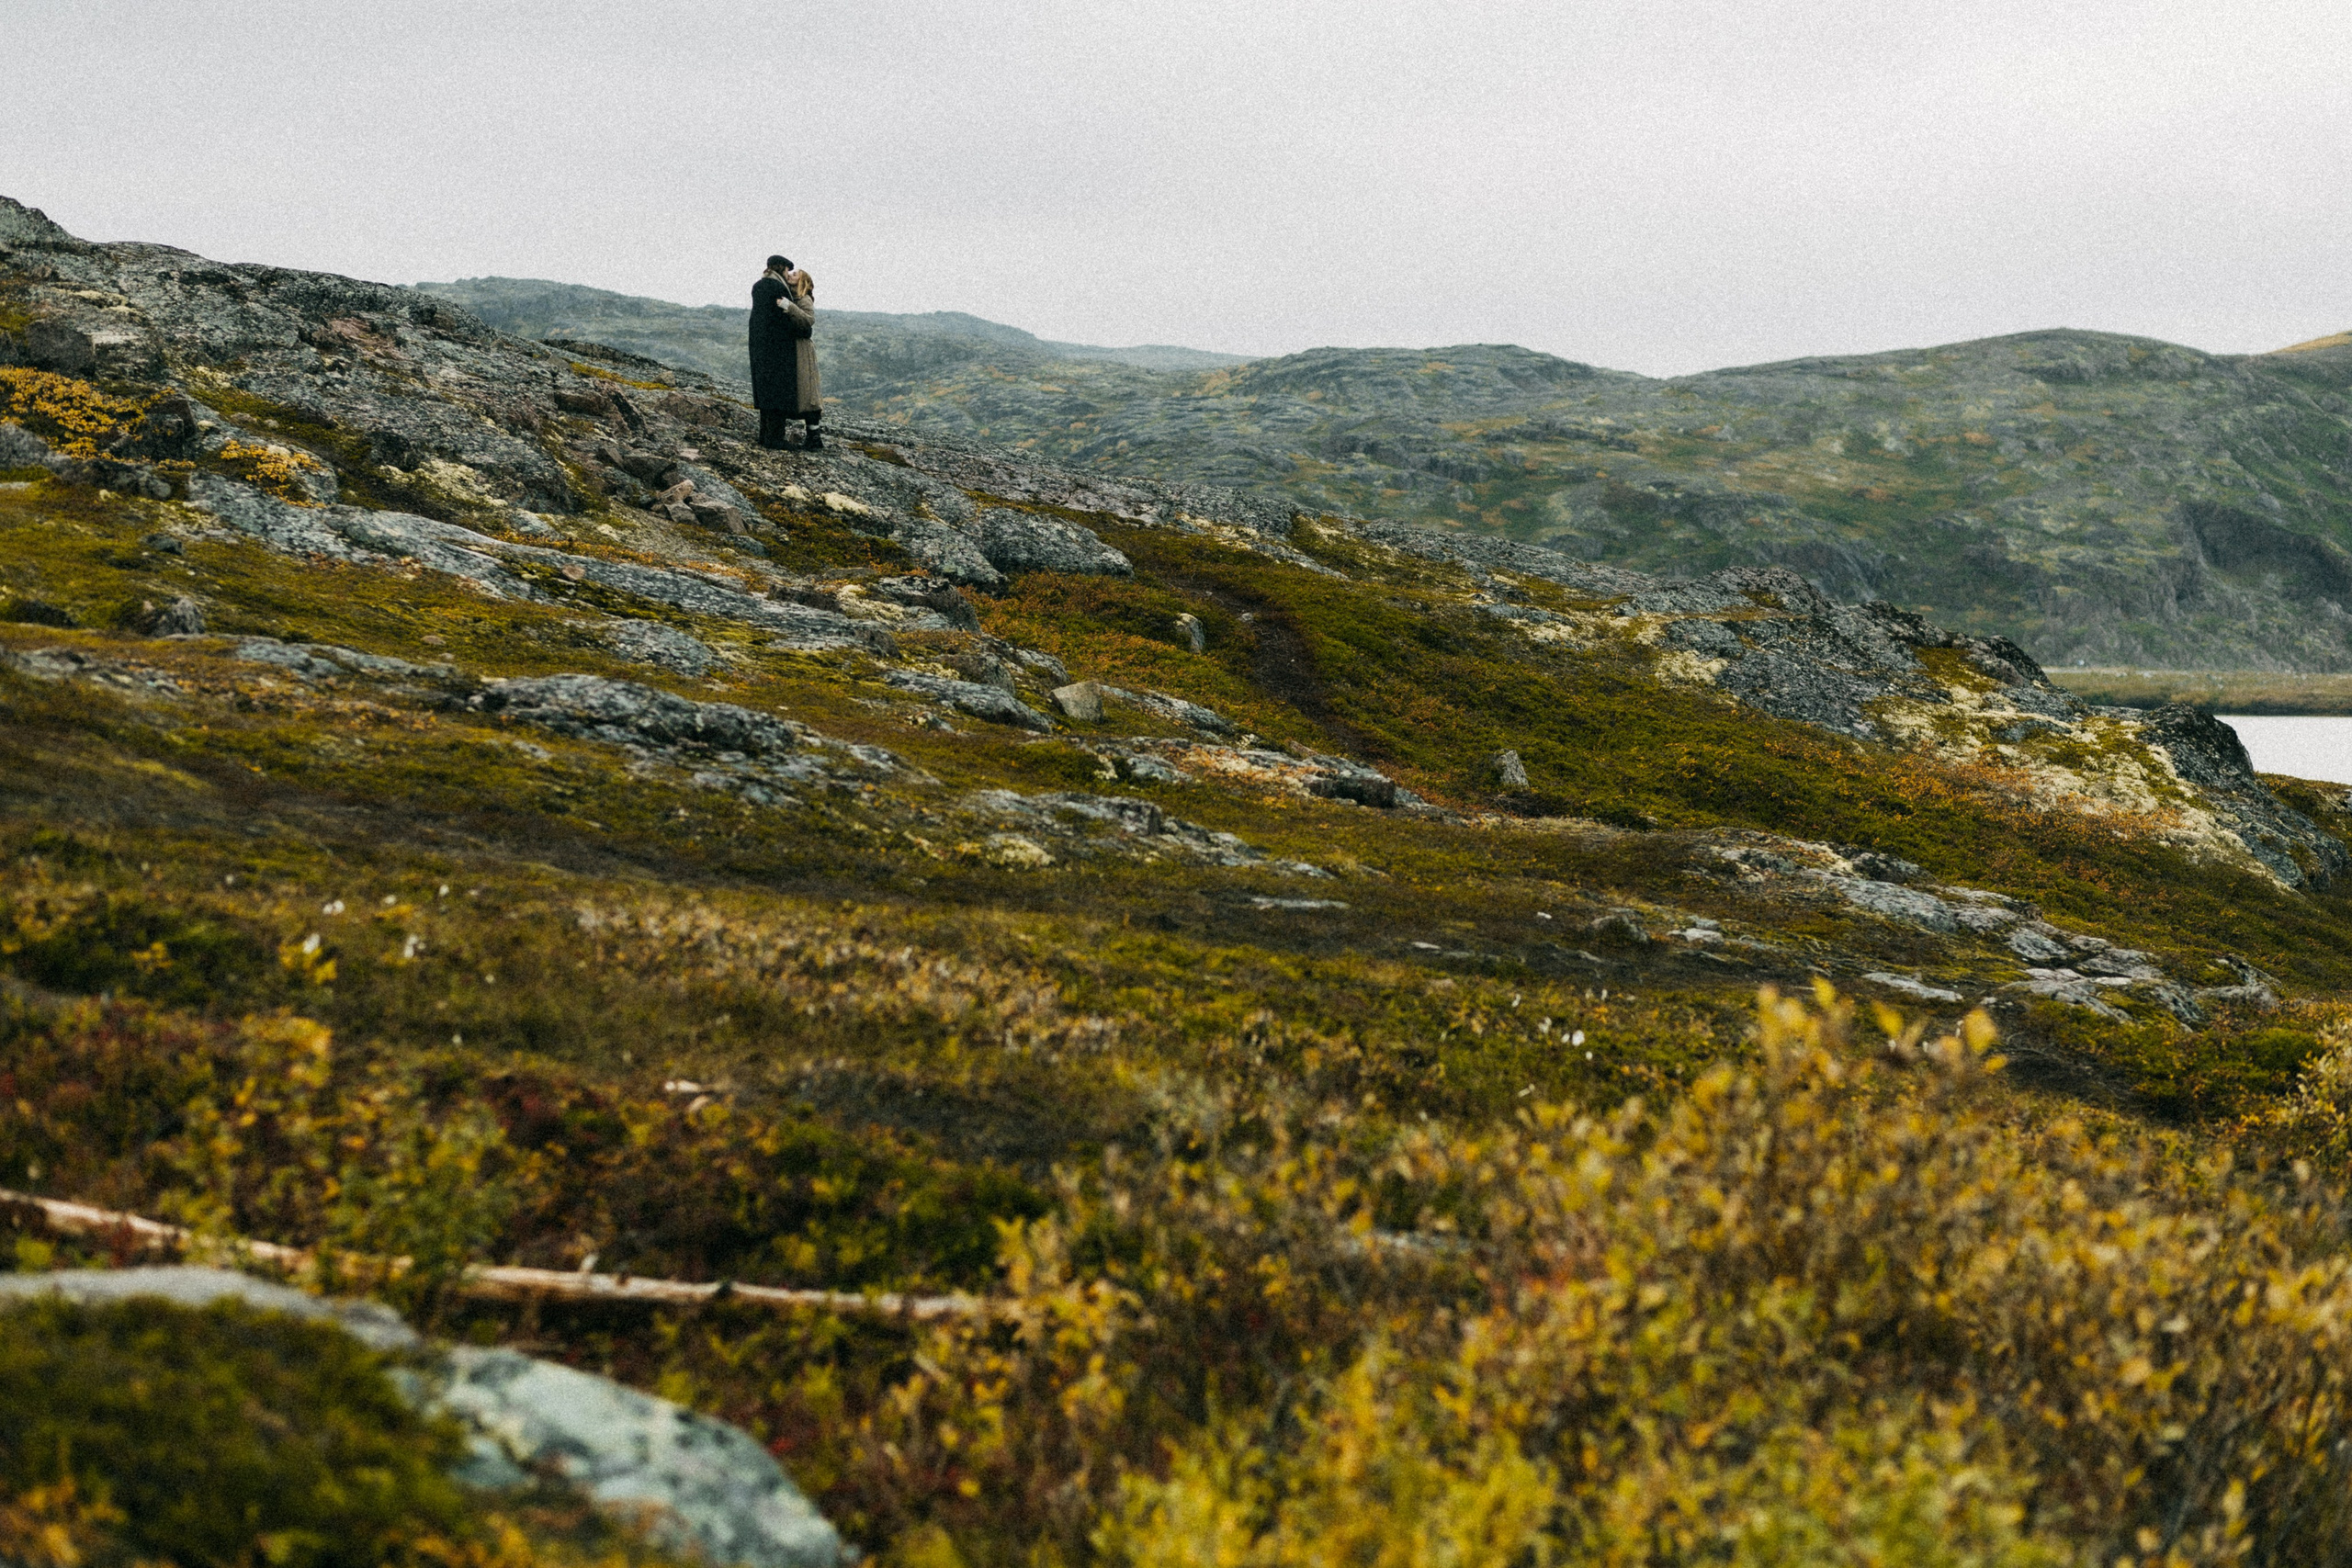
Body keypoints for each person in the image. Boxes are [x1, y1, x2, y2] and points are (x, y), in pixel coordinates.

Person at [748, 254, 822, 450]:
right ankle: (777, 437)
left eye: (795, 274)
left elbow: (807, 321)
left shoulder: (766, 288)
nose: (790, 274)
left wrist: (790, 308)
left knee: (801, 394)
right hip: (782, 348)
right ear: (782, 268)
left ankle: (808, 436)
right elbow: (792, 324)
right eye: (789, 271)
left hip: (781, 349)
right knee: (784, 392)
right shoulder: (779, 289)